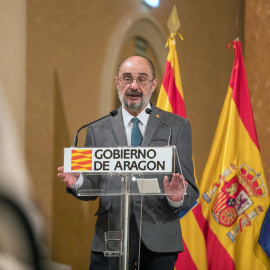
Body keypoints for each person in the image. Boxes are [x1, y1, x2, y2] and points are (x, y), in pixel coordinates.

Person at [57, 56, 199, 270]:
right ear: (117, 83)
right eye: (127, 79)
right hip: (109, 239)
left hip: (159, 242)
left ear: (153, 84)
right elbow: (92, 185)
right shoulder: (96, 129)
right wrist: (78, 182)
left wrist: (177, 198)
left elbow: (190, 189)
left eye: (142, 79)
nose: (134, 86)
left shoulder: (176, 127)